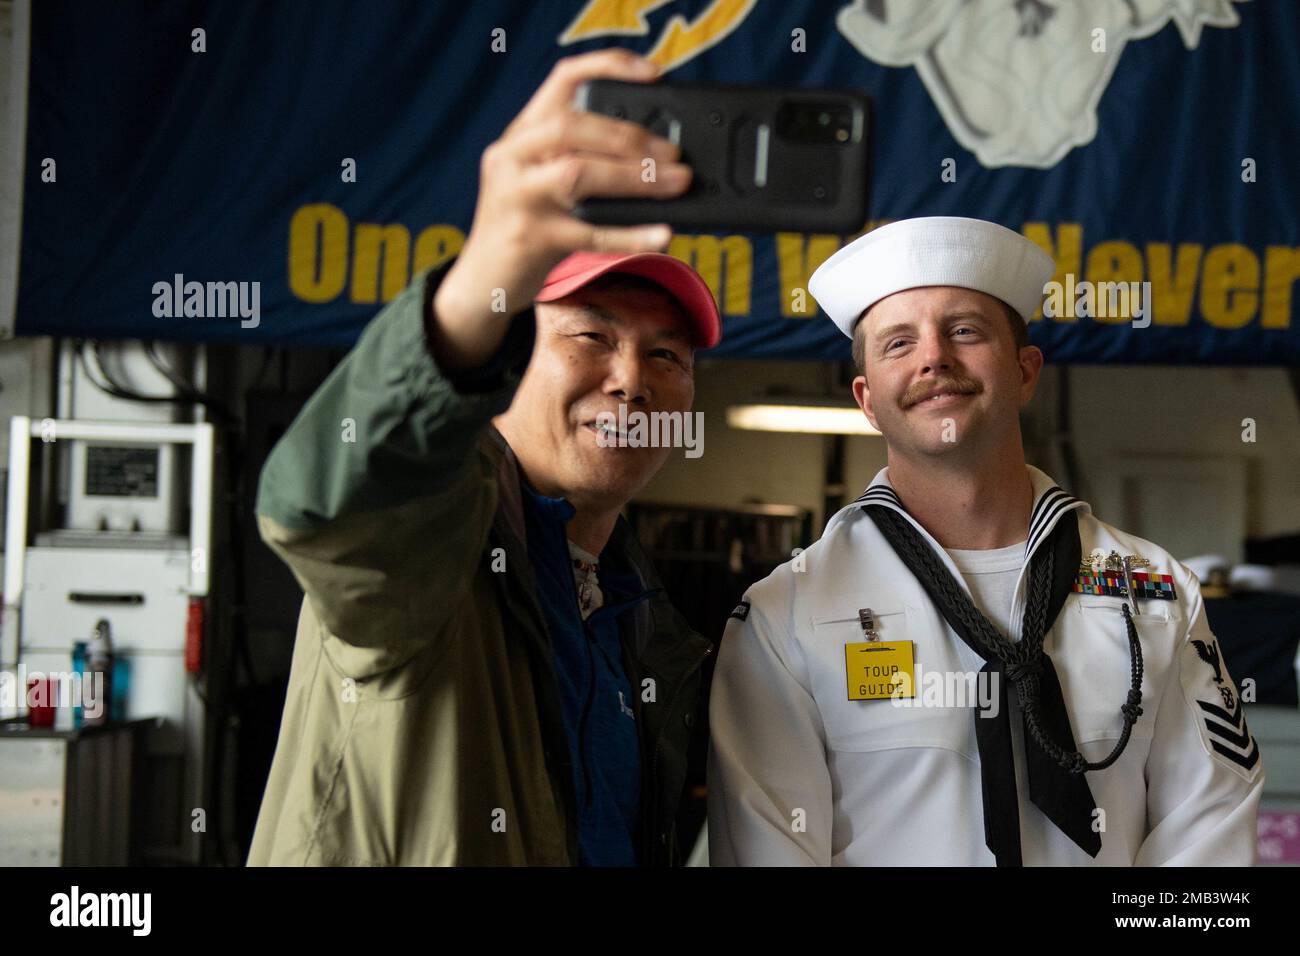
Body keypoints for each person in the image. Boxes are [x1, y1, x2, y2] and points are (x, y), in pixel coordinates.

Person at [248, 49, 719, 866]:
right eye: (590, 336)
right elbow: (325, 507)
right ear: (505, 363)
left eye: (667, 357)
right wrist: (479, 287)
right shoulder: (429, 559)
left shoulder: (640, 621)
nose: (631, 382)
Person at [707, 216, 1264, 866]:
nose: (934, 357)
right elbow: (768, 850)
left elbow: (1208, 828)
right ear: (866, 398)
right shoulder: (787, 615)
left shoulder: (1156, 589)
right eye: (897, 343)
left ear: (1027, 372)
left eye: (964, 331)